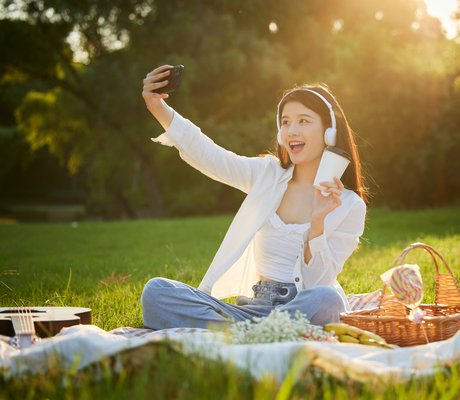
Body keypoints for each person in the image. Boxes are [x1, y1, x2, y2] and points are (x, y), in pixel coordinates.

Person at [140, 65, 367, 329]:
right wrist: (157, 107)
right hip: (251, 311)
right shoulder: (267, 174)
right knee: (156, 291)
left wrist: (317, 224)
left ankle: (240, 336)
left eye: (303, 121)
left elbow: (318, 283)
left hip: (302, 309)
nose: (292, 130)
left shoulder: (349, 205)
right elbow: (212, 157)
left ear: (330, 132)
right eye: (285, 122)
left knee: (328, 300)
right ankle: (254, 334)